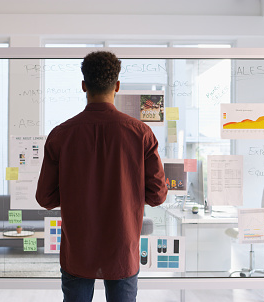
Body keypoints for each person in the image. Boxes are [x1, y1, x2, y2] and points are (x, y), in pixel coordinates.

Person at [35, 51, 167, 302]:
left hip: (78, 250)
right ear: (117, 86)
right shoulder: (141, 133)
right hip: (123, 248)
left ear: (84, 85)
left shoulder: (61, 135)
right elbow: (158, 195)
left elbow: (45, 198)